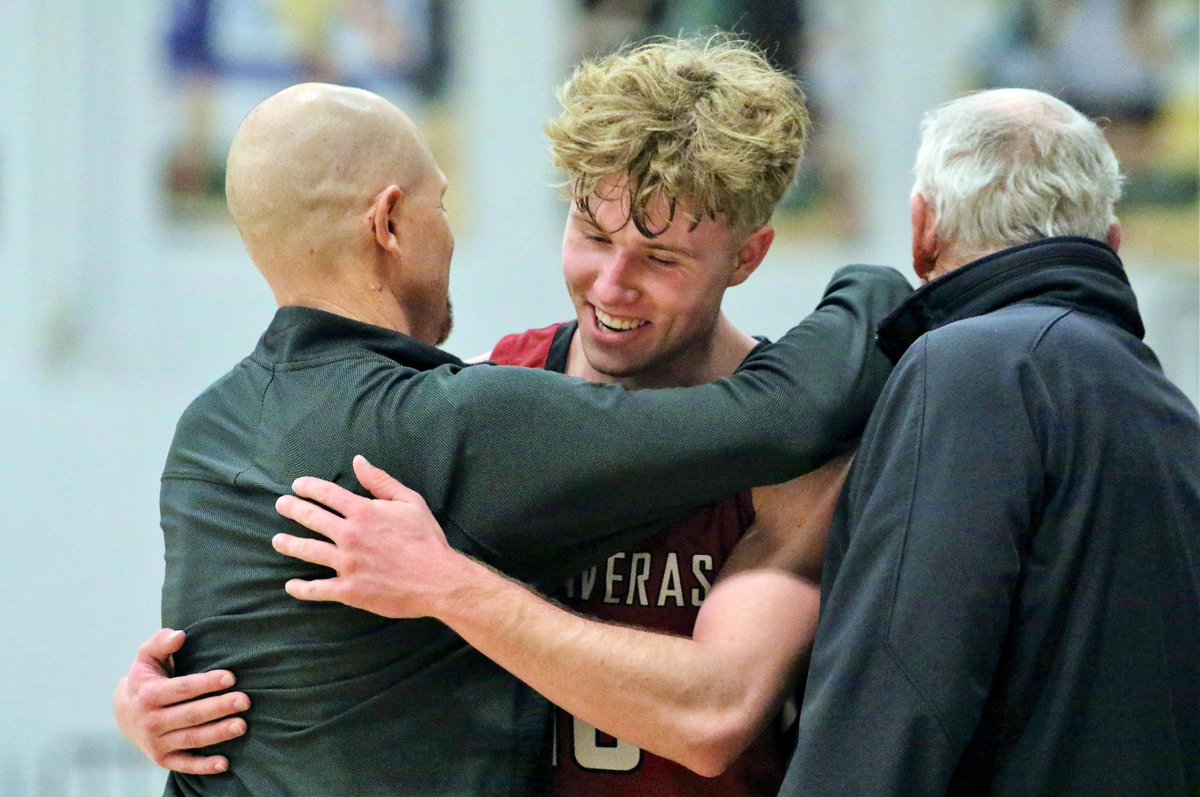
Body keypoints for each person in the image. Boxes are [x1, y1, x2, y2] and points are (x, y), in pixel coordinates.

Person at [114, 67, 910, 797]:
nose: (611, 282)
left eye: (661, 257)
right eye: (592, 235)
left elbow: (712, 713)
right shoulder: (486, 390)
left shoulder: (799, 457)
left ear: (747, 257)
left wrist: (450, 585)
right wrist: (167, 699)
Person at [776, 88, 1200, 795]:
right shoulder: (1171, 415)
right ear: (1113, 244)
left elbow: (896, 692)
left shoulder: (972, 370)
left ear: (923, 229)